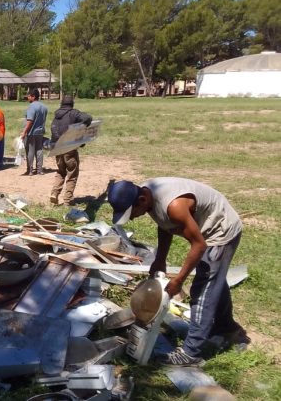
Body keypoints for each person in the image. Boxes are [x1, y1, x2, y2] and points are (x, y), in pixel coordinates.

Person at [108, 178, 248, 366]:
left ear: (141, 200)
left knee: (202, 289)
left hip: (219, 231)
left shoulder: (173, 205)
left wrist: (179, 280)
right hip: (205, 230)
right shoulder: (148, 195)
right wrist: (160, 259)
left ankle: (191, 353)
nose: (132, 218)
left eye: (131, 213)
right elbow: (164, 224)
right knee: (213, 282)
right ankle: (228, 329)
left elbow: (199, 245)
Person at [49, 95, 92, 205]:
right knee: (72, 173)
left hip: (57, 147)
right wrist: (82, 129)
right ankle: (68, 199)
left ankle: (54, 193)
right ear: (72, 104)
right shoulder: (73, 113)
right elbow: (88, 118)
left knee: (61, 171)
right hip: (69, 148)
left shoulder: (57, 114)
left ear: (62, 104)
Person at [20, 89, 48, 175]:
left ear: (33, 97)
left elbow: (30, 121)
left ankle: (30, 170)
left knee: (30, 151)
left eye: (29, 96)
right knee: (39, 150)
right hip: (40, 131)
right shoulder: (44, 107)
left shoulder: (31, 106)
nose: (28, 97)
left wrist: (24, 132)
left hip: (31, 132)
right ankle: (40, 170)